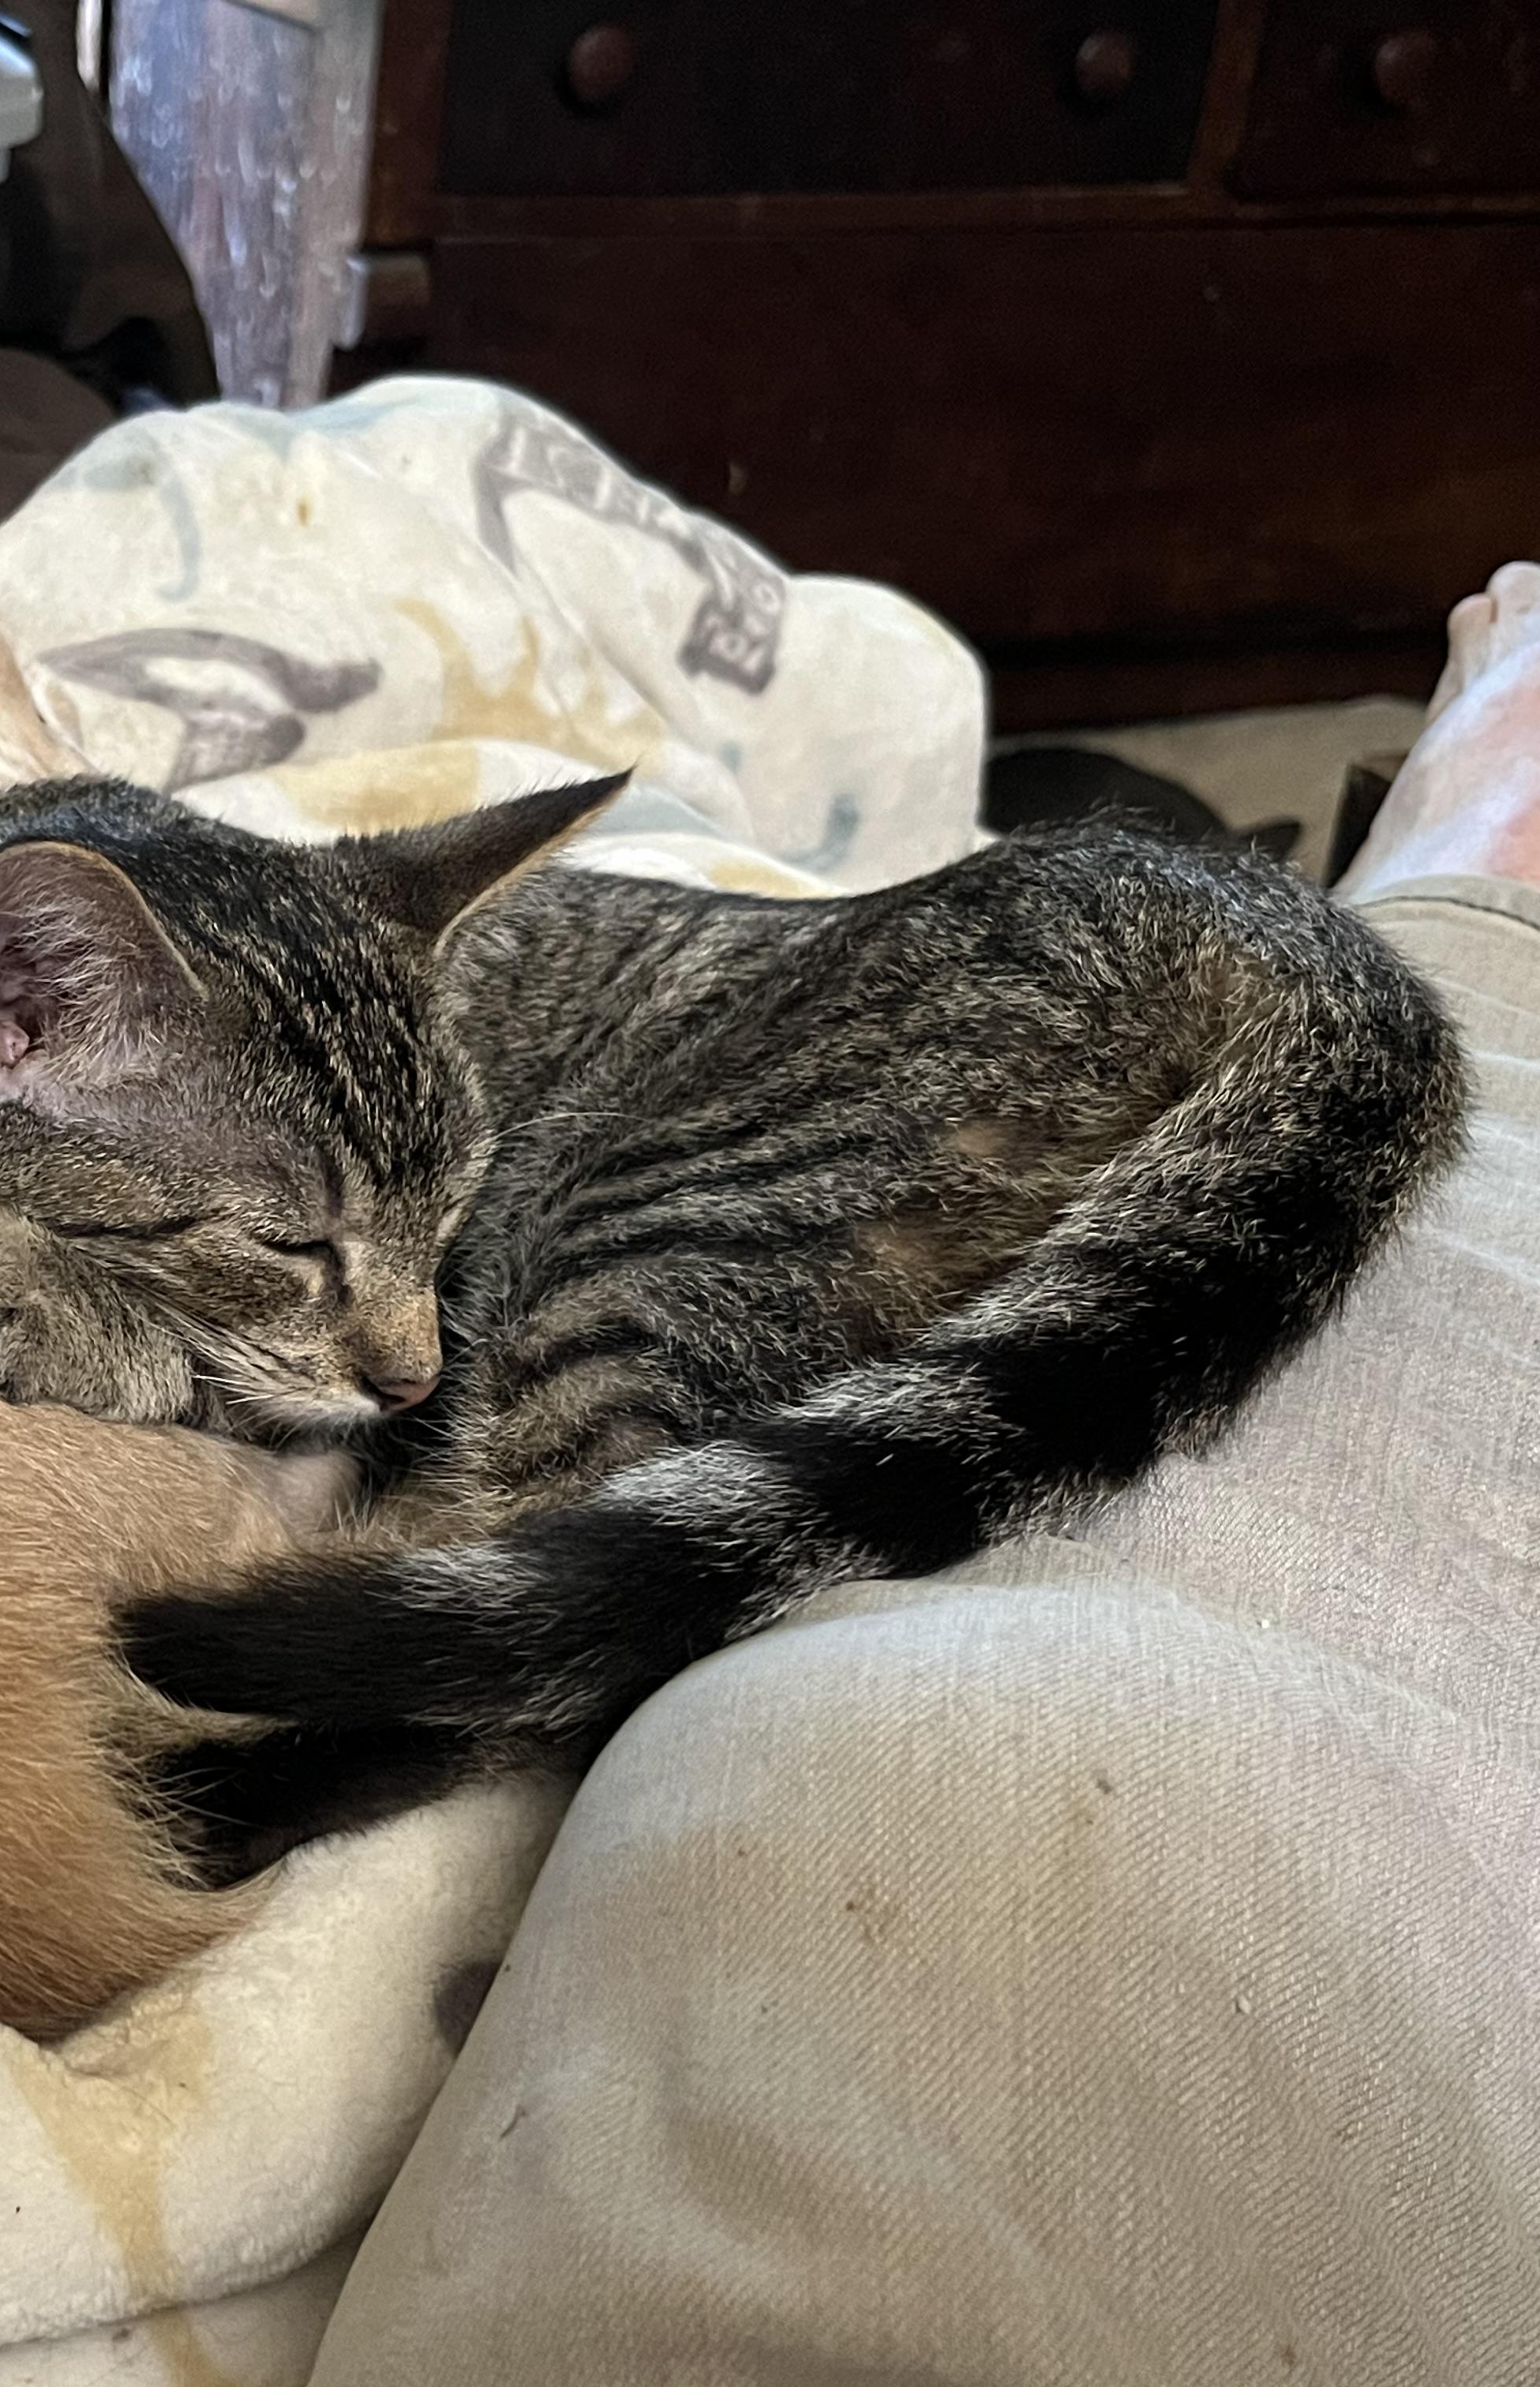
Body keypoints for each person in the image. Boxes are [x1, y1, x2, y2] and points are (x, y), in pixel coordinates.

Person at [311, 566, 1540, 2385]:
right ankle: (1476, 883)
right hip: (1112, 997)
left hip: (1043, 1010)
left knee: (625, 1415)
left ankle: (1471, 878)